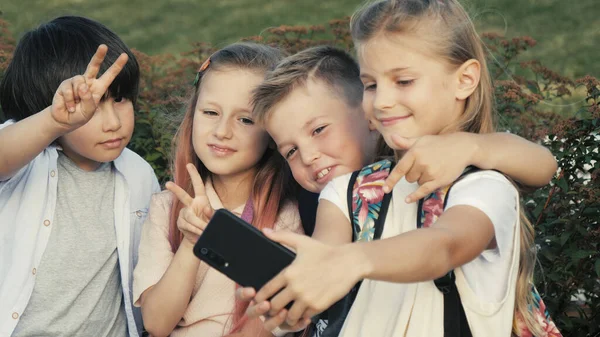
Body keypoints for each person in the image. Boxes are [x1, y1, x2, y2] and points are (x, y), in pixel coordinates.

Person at [243, 1, 556, 336]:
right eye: (372, 85)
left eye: (403, 81)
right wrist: (297, 298)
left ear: (464, 80)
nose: (382, 102)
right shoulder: (344, 191)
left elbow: (445, 246)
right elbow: (325, 259)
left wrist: (353, 260)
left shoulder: (482, 185)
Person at [0, 16, 159, 337]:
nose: (113, 122)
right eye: (91, 105)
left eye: (120, 99)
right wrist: (55, 122)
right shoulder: (25, 160)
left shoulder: (138, 173)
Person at [132, 43, 303, 337]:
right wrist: (191, 243)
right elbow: (156, 323)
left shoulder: (283, 220)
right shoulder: (166, 208)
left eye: (245, 119)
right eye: (211, 112)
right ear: (193, 115)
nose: (222, 131)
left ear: (273, 131)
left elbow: (260, 329)